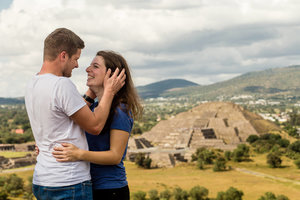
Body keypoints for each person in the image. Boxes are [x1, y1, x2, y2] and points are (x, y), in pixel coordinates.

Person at [25, 28, 125, 200]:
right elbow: (95, 126)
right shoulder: (61, 84)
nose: (78, 65)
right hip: (67, 181)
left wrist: (91, 94)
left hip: (42, 178)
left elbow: (66, 115)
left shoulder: (33, 83)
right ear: (63, 56)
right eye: (76, 59)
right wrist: (109, 92)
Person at [52, 50, 143, 200]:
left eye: (95, 66)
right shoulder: (95, 108)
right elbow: (66, 123)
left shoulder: (120, 111)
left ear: (112, 75)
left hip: (110, 190)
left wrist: (78, 154)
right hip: (88, 186)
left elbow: (115, 156)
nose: (87, 69)